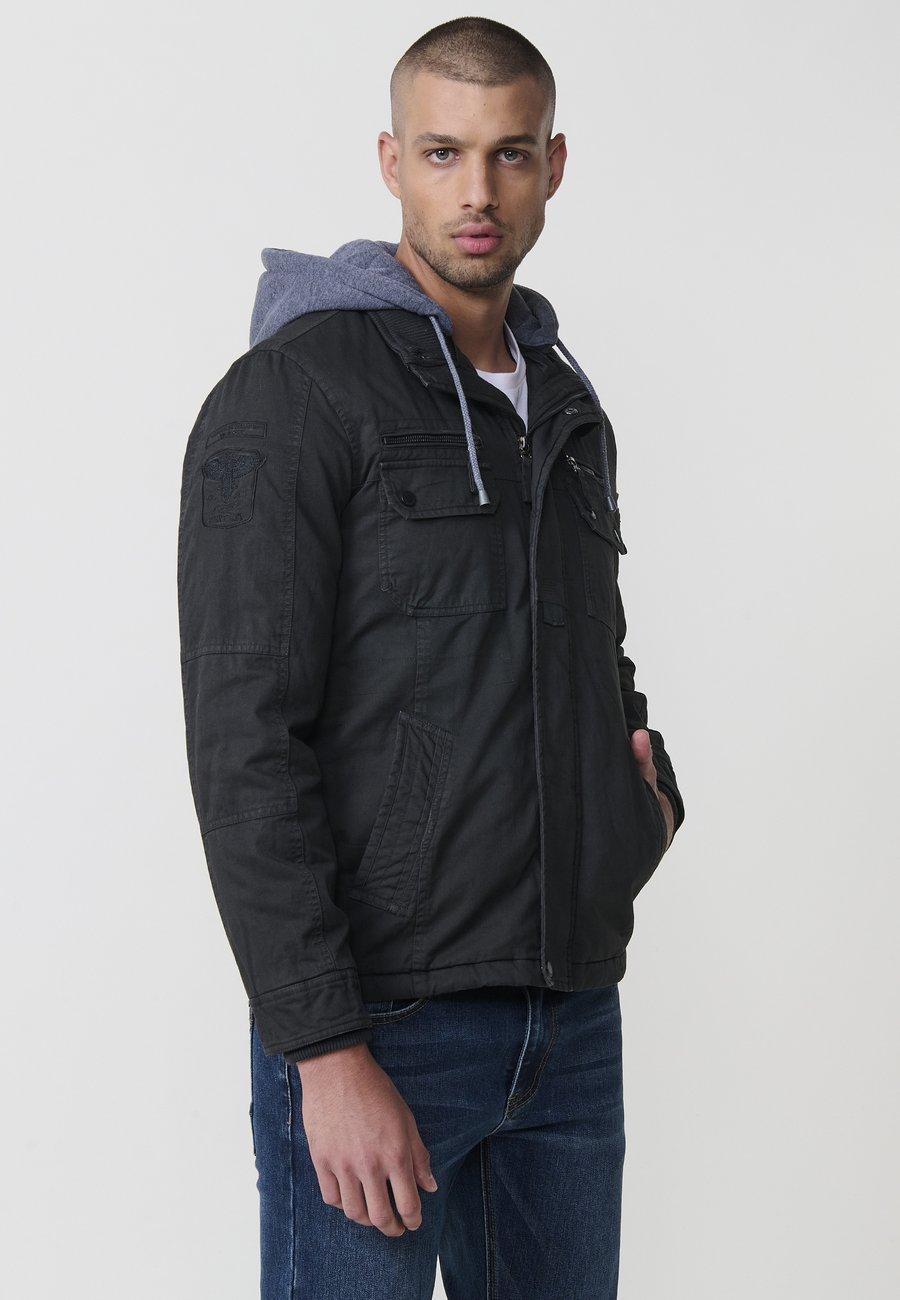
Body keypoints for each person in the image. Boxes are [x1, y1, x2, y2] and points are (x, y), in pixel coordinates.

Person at [177, 16, 685, 1299]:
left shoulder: (563, 402)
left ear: (553, 165)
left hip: (570, 1024)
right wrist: (324, 1049)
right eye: (444, 152)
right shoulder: (295, 393)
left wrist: (641, 802)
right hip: (384, 1027)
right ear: (391, 161)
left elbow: (592, 654)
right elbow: (244, 736)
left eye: (509, 154)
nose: (477, 192)